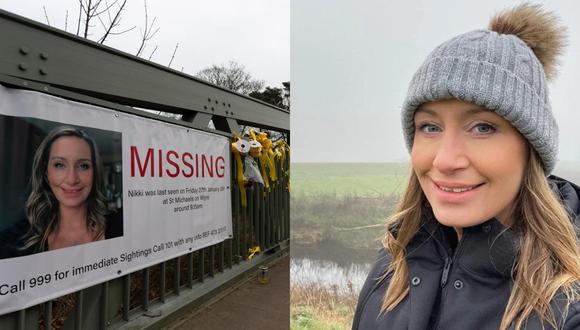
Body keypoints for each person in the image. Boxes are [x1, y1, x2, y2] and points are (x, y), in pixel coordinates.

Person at [353, 4, 580, 330]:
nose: (445, 160)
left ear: (531, 149)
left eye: (483, 128)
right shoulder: (394, 262)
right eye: (429, 127)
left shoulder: (566, 311)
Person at [0, 126, 122, 259]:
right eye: (59, 165)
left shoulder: (119, 226)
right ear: (46, 173)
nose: (72, 179)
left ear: (95, 173)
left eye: (83, 166)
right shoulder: (13, 242)